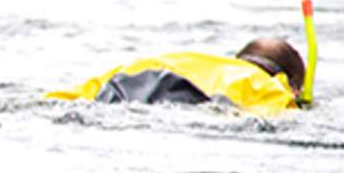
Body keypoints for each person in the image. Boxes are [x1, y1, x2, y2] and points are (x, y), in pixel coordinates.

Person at [46, 36, 305, 119]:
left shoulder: (171, 58)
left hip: (119, 91)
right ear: (292, 83)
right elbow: (280, 119)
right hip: (183, 108)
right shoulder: (268, 85)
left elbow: (58, 100)